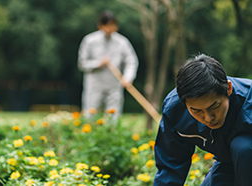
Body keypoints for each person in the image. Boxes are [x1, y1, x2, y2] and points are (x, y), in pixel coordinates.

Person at [153, 54, 252, 185]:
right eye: (197, 111)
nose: (208, 118)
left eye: (214, 106)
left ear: (228, 88)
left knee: (243, 147)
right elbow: (169, 168)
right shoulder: (175, 110)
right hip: (227, 163)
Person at [77, 10, 139, 118]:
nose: (111, 29)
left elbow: (131, 61)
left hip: (114, 85)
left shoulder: (122, 42)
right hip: (94, 85)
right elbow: (82, 63)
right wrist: (98, 63)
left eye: (113, 26)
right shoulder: (89, 41)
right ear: (100, 26)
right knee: (90, 115)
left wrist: (128, 77)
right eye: (108, 26)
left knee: (113, 116)